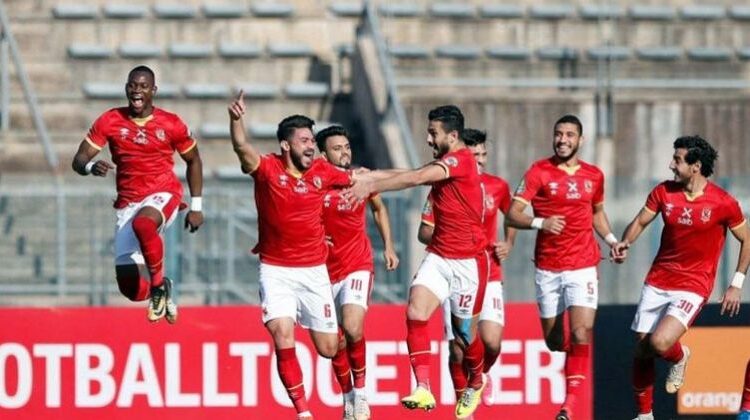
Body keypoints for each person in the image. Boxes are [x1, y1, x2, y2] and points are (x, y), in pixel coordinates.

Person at [348, 105, 488, 419]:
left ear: (453, 136)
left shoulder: (461, 161)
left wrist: (372, 185)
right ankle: (423, 387)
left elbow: (415, 178)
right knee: (415, 311)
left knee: (465, 336)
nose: (427, 138)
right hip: (439, 256)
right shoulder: (446, 161)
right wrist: (369, 175)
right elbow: (411, 172)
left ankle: (477, 380)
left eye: (433, 133)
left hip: (468, 262)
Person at [228, 91, 355, 420]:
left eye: (312, 140)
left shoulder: (323, 173)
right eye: (304, 141)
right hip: (276, 270)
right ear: (286, 145)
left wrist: (414, 176)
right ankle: (303, 413)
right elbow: (242, 148)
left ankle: (351, 397)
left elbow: (363, 180)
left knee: (329, 348)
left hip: (314, 271)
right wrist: (236, 121)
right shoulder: (267, 169)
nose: (311, 146)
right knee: (282, 333)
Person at [610, 135, 749, 420]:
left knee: (660, 343)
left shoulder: (723, 203)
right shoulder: (664, 192)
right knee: (641, 348)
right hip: (658, 279)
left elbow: (747, 240)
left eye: (677, 160)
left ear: (696, 166)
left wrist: (736, 283)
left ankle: (680, 356)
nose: (671, 165)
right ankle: (645, 415)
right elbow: (639, 221)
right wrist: (625, 243)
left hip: (693, 285)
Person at [71, 65, 203, 324]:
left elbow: (194, 160)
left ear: (153, 90)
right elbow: (78, 159)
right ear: (126, 89)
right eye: (132, 85)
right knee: (131, 290)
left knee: (143, 224)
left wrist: (197, 206)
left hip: (163, 192)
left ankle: (158, 288)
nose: (137, 91)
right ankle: (160, 285)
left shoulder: (171, 123)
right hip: (128, 201)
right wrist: (89, 166)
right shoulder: (109, 120)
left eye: (143, 86)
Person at [506, 115, 617, 420]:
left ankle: (568, 405)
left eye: (570, 134)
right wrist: (541, 222)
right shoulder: (538, 171)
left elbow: (596, 213)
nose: (563, 139)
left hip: (583, 265)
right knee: (556, 342)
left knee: (582, 332)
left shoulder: (594, 175)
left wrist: (611, 240)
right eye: (558, 134)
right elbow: (512, 214)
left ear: (581, 140)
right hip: (548, 268)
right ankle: (574, 366)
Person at [417, 128, 515, 411]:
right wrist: (448, 239)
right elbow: (424, 231)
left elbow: (514, 213)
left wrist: (508, 242)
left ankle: (483, 374)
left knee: (492, 341)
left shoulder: (497, 186)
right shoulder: (445, 186)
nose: (481, 161)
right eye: (475, 155)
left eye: (484, 155)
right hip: (456, 266)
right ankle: (465, 405)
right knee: (457, 348)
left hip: (489, 271)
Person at [315, 125, 400, 420]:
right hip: (322, 272)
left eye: (347, 147)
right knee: (334, 342)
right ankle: (347, 396)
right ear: (322, 154)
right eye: (337, 149)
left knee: (352, 327)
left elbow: (378, 208)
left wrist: (388, 245)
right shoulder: (314, 182)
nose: (344, 153)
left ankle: (361, 393)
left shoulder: (360, 178)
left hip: (356, 264)